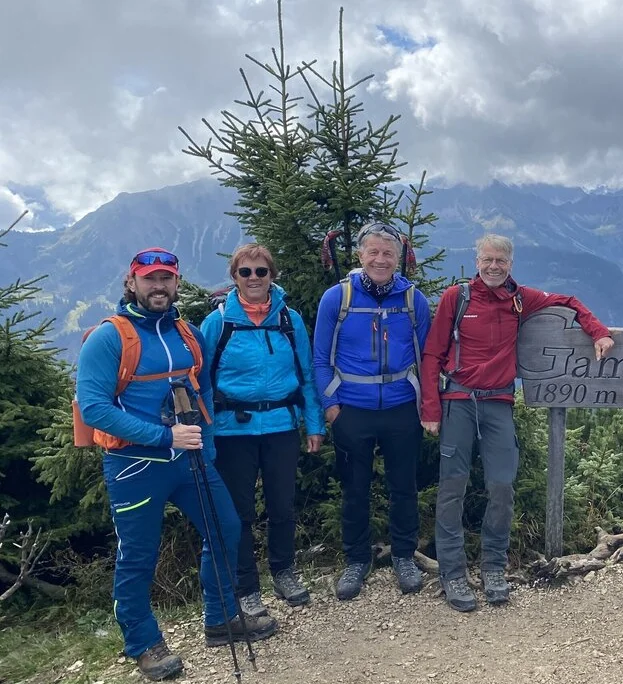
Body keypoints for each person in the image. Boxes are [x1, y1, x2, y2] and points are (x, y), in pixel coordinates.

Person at [76, 248, 277, 681]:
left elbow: (201, 389)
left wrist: (204, 447)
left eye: (166, 278)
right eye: (149, 279)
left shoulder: (187, 333)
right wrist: (165, 436)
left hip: (189, 459)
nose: (159, 286)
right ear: (132, 283)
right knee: (138, 556)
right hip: (133, 465)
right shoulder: (110, 337)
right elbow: (93, 409)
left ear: (177, 283)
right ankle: (143, 642)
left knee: (225, 528)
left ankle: (221, 617)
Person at [419, 234, 615, 612]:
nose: (493, 267)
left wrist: (598, 330)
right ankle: (453, 573)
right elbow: (432, 353)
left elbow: (568, 301)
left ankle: (494, 568)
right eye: (487, 260)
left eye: (501, 261)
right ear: (476, 260)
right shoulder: (455, 299)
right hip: (457, 401)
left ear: (511, 264)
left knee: (502, 487)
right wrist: (430, 407)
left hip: (498, 404)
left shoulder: (519, 299)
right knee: (452, 489)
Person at [201, 244, 325, 619]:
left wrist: (314, 424)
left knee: (282, 505)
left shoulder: (290, 320)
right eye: (245, 272)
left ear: (273, 275)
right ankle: (247, 587)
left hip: (281, 426)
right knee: (238, 512)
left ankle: (284, 572)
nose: (254, 279)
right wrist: (204, 435)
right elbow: (203, 382)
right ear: (234, 277)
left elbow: (306, 374)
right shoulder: (218, 322)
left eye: (261, 271)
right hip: (230, 430)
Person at [313, 222, 431, 601]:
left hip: (400, 407)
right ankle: (356, 560)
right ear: (360, 255)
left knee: (404, 488)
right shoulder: (337, 298)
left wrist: (427, 405)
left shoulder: (413, 300)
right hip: (352, 409)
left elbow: (428, 358)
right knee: (354, 489)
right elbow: (319, 359)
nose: (381, 259)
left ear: (399, 258)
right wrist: (332, 407)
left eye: (388, 253)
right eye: (374, 252)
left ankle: (403, 557)